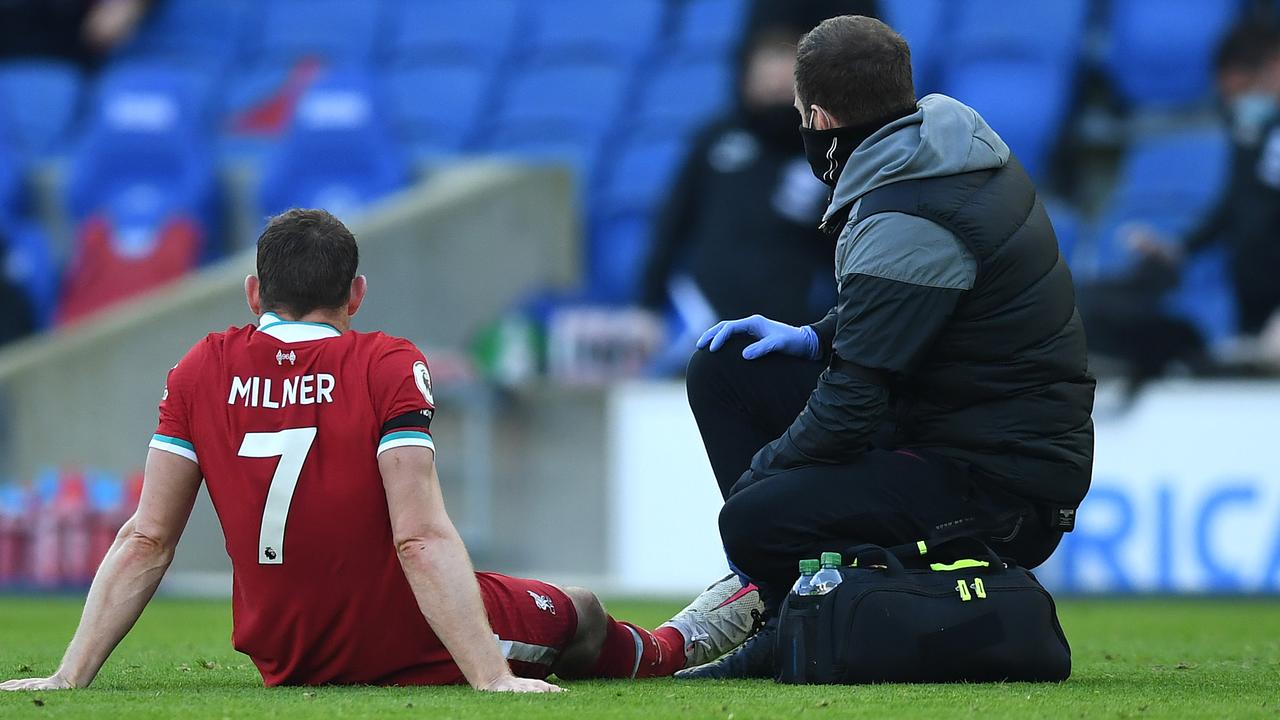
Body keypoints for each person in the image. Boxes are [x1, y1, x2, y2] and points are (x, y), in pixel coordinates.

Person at [0, 209, 762, 693]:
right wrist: (491, 679)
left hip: (284, 653)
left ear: (253, 294)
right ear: (356, 294)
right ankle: (678, 643)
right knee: (582, 613)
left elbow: (146, 535)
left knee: (501, 589)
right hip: (398, 635)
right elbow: (419, 533)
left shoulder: (201, 366)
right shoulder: (384, 362)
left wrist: (71, 676)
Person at [676, 16, 1096, 680]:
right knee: (730, 370)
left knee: (756, 520)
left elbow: (848, 412)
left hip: (999, 480)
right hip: (969, 429)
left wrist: (761, 484)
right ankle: (793, 603)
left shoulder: (904, 211)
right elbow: (925, 305)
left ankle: (794, 618)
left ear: (817, 115)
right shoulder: (944, 150)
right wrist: (815, 336)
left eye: (799, 117)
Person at [1081, 21, 1280, 377]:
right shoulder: (1250, 136)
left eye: (1247, 89)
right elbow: (1233, 209)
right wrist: (1178, 248)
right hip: (1254, 304)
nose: (1239, 103)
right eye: (1230, 95)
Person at [640, 28, 834, 339]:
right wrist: (647, 304)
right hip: (703, 320)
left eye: (786, 88)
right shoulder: (715, 140)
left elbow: (842, 252)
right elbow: (672, 222)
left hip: (788, 327)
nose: (776, 93)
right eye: (768, 83)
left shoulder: (826, 155)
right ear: (747, 80)